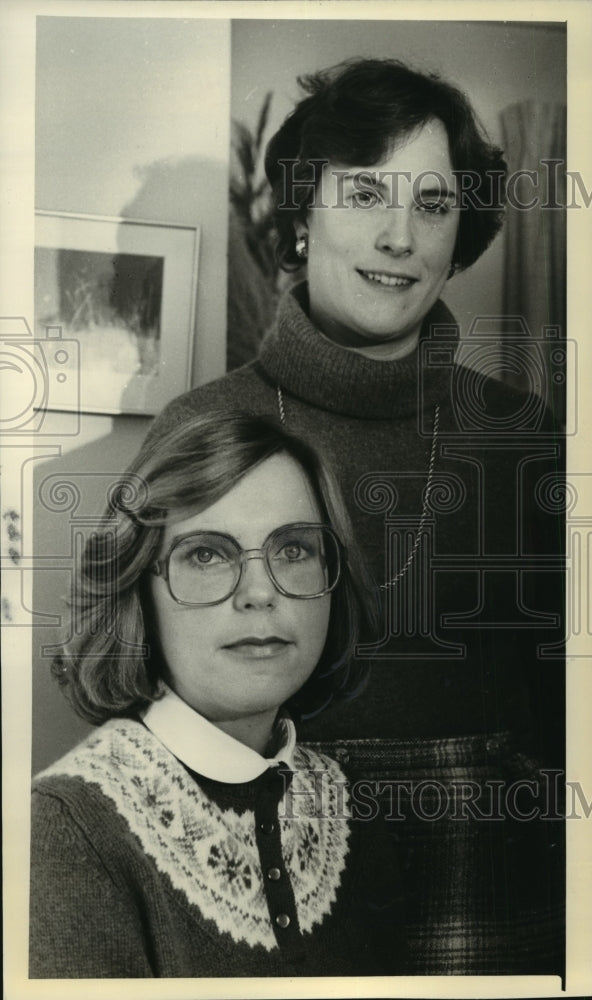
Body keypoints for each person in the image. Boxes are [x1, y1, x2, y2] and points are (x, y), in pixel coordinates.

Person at [143, 59, 565, 974]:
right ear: (301, 214)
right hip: (258, 870)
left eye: (433, 204)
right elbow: (139, 700)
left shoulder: (527, 441)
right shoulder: (200, 430)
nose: (399, 235)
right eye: (366, 191)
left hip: (487, 884)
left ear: (461, 238)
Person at [29, 410, 404, 979]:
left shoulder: (347, 807)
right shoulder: (67, 827)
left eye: (294, 550)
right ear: (140, 589)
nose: (260, 593)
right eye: (207, 554)